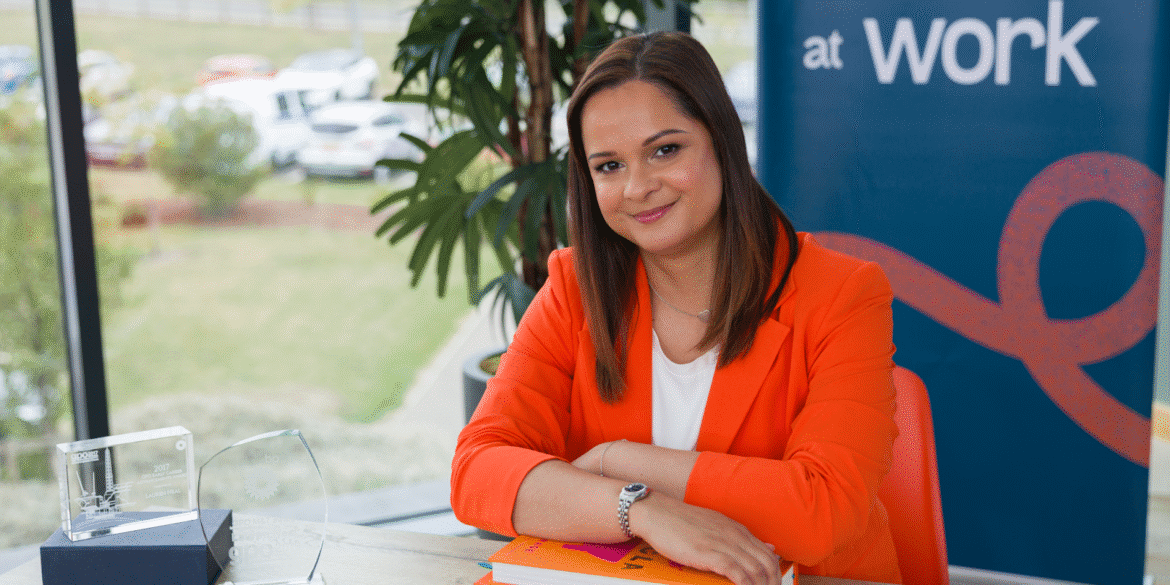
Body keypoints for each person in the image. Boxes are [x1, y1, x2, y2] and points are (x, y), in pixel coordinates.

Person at [451, 31, 901, 585]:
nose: (637, 187)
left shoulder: (843, 294)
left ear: (722, 142)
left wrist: (617, 461)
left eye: (665, 150)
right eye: (608, 166)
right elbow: (477, 472)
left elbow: (822, 512)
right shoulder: (575, 287)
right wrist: (640, 509)